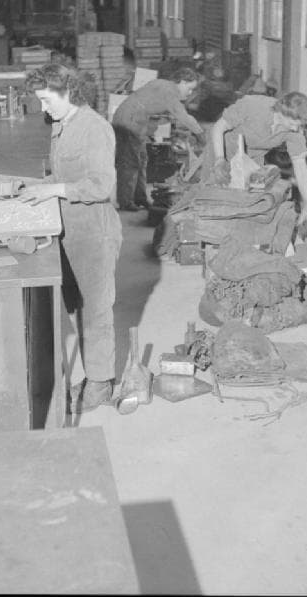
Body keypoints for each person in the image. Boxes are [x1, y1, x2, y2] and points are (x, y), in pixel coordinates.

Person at [18, 63, 122, 413]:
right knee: (77, 305)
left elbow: (100, 185)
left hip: (94, 231)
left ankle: (100, 381)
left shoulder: (95, 128)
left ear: (69, 93)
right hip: (68, 228)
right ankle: (92, 373)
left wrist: (57, 189)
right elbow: (64, 175)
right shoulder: (62, 125)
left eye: (47, 100)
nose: (43, 108)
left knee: (97, 309)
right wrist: (35, 189)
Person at [204, 90, 307, 232]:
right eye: (292, 123)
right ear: (282, 111)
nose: (295, 129)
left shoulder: (295, 133)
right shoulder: (253, 105)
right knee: (210, 200)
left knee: (248, 205)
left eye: (299, 125)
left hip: (252, 161)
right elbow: (218, 127)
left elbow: (300, 167)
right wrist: (219, 160)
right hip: (221, 152)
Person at [112, 67, 204, 211]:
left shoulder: (163, 85)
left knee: (142, 160)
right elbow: (183, 115)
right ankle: (125, 202)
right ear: (183, 82)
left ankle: (140, 198)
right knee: (130, 162)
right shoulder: (169, 91)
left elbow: (153, 107)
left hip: (134, 120)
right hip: (129, 121)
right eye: (190, 88)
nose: (190, 93)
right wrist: (200, 134)